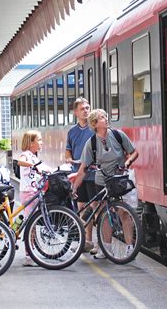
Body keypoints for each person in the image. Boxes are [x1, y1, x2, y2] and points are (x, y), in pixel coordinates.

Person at [72, 109, 139, 259]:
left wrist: (128, 162)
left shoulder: (118, 135)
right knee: (103, 214)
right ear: (95, 124)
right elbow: (83, 169)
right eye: (102, 118)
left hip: (120, 179)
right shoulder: (92, 143)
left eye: (105, 116)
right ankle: (106, 248)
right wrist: (74, 187)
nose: (106, 119)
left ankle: (130, 248)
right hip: (102, 181)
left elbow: (134, 152)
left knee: (124, 213)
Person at [65, 97, 96, 252]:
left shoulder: (94, 129)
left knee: (94, 207)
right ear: (75, 112)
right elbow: (68, 150)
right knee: (82, 207)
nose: (86, 111)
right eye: (82, 108)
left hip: (92, 174)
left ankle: (92, 240)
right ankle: (86, 240)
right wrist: (69, 159)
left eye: (87, 108)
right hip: (77, 173)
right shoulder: (72, 131)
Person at [18, 130, 51, 267]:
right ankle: (28, 255)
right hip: (28, 193)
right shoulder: (26, 155)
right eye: (39, 140)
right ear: (31, 143)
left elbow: (46, 168)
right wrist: (33, 166)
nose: (42, 142)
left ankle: (31, 251)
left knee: (31, 222)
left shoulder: (34, 156)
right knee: (30, 224)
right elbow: (20, 162)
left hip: (35, 192)